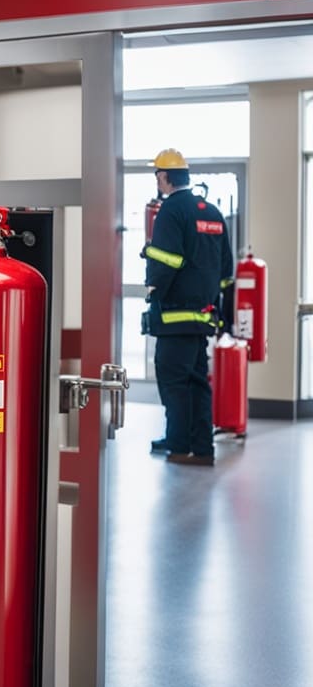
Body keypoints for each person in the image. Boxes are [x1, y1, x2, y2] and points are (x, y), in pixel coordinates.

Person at [142, 148, 233, 466]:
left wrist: (155, 287)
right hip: (203, 317)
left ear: (164, 177)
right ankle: (202, 447)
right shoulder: (211, 212)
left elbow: (169, 260)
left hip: (174, 314)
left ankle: (179, 446)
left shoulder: (170, 211)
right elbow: (226, 269)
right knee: (196, 382)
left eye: (157, 174)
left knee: (174, 382)